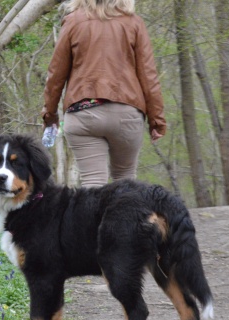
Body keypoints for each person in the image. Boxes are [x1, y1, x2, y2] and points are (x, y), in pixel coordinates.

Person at [42, 0, 166, 187]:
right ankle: (126, 216)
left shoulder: (73, 21)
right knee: (125, 181)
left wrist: (49, 114)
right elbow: (149, 76)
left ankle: (93, 216)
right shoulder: (134, 23)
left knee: (93, 185)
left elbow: (56, 74)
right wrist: (157, 120)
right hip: (127, 114)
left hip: (83, 114)